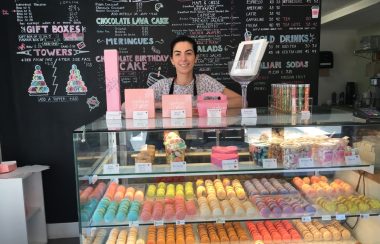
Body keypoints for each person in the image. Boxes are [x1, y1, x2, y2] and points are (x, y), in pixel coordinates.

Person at [149, 35, 242, 108]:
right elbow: (137, 103)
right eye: (178, 54)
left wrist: (203, 105)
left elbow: (241, 101)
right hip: (171, 132)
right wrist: (161, 104)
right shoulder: (163, 85)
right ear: (172, 60)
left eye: (188, 53)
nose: (183, 59)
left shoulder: (205, 81)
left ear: (196, 58)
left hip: (199, 131)